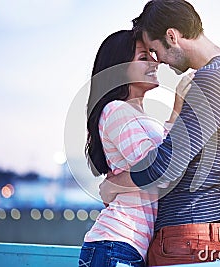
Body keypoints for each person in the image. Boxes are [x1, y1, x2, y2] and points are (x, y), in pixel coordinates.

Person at [99, 0, 220, 266]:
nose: (160, 62)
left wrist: (112, 185)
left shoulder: (212, 79)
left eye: (156, 51)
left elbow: (165, 166)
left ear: (172, 36)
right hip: (206, 226)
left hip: (187, 229)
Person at [79, 29, 194, 267]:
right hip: (115, 243)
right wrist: (177, 108)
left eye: (152, 54)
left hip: (126, 247)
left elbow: (165, 158)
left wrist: (114, 186)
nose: (155, 61)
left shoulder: (139, 117)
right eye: (144, 57)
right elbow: (159, 170)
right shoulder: (116, 110)